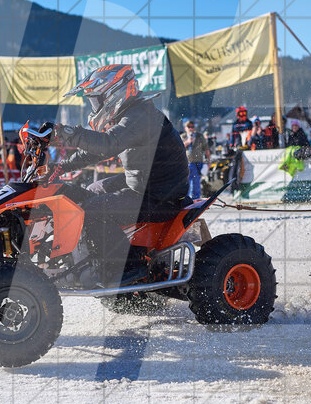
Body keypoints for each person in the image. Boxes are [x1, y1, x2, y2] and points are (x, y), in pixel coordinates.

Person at [47, 64, 190, 287]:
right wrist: (62, 166)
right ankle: (93, 256)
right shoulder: (132, 113)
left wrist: (69, 134)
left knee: (92, 210)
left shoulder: (139, 116)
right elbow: (97, 149)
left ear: (115, 93)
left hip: (161, 195)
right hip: (146, 182)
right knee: (91, 192)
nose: (95, 106)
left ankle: (126, 268)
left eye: (97, 99)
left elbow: (108, 144)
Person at [182, 120, 210, 199]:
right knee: (188, 181)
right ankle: (187, 198)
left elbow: (206, 149)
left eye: (192, 127)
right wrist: (188, 141)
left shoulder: (199, 136)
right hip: (187, 163)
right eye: (189, 127)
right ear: (185, 128)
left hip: (198, 162)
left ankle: (195, 198)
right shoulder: (183, 136)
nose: (191, 128)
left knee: (196, 180)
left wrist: (209, 161)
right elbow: (179, 147)